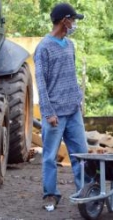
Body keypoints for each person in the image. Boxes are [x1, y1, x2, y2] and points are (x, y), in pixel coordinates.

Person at [34, 3, 88, 211]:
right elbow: (41, 83)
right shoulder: (44, 48)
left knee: (81, 155)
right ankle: (50, 195)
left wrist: (78, 100)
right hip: (55, 113)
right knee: (49, 157)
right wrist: (48, 113)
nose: (74, 23)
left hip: (73, 111)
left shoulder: (70, 45)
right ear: (63, 20)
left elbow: (72, 76)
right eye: (72, 19)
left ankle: (84, 192)